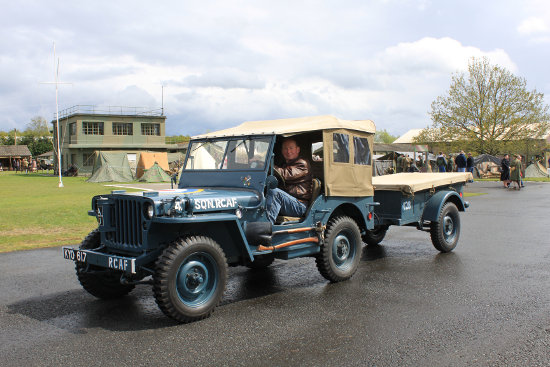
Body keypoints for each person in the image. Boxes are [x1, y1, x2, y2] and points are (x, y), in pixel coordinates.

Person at [266, 138, 312, 223]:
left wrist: (266, 165)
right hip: (288, 202)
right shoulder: (284, 164)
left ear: (297, 149)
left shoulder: (302, 164)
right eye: (285, 148)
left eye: (291, 148)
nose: (288, 151)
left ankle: (266, 228)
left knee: (275, 193)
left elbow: (285, 174)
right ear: (282, 151)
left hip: (299, 205)